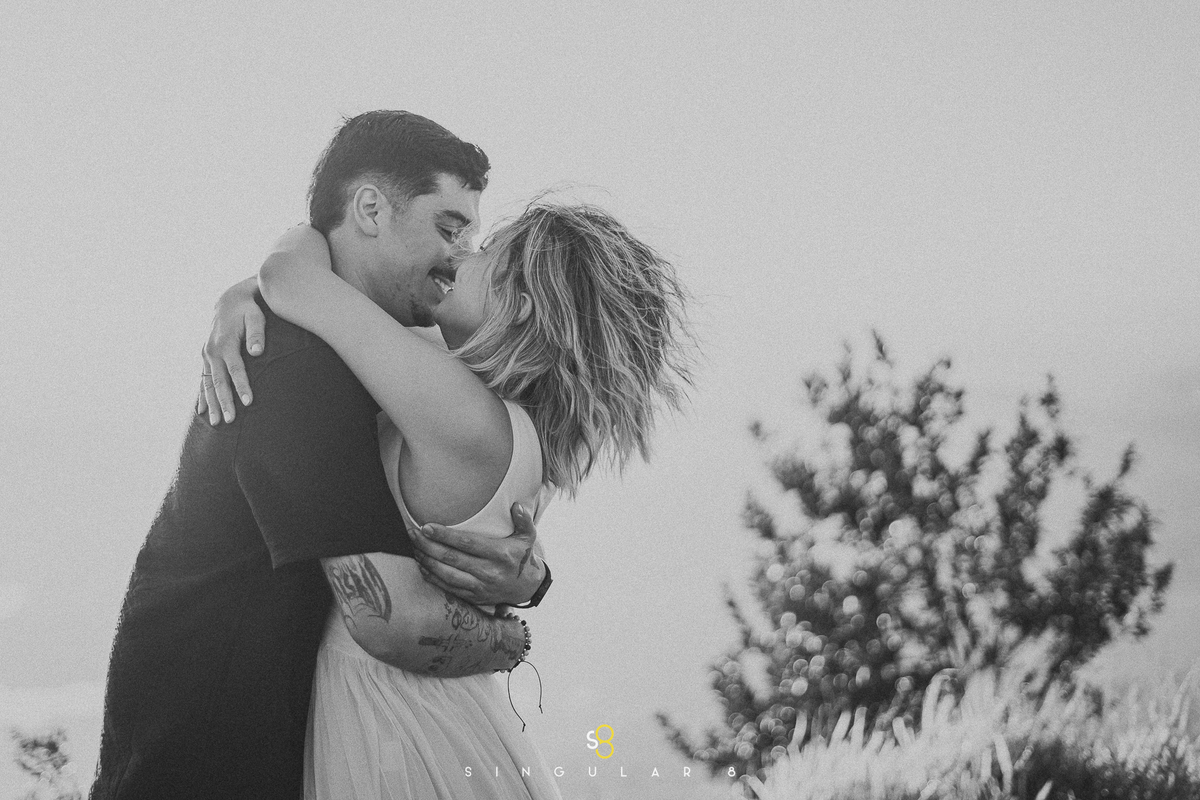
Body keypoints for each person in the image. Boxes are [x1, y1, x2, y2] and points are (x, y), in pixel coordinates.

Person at [91, 111, 552, 800]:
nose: (458, 256)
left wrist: (531, 577)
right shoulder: (298, 362)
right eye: (448, 227)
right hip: (203, 758)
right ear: (370, 209)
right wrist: (515, 638)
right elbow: (390, 619)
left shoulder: (363, 350)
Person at [202, 196, 694, 798]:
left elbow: (293, 279)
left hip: (393, 723)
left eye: (486, 252)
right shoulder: (504, 415)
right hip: (436, 710)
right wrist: (242, 296)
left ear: (520, 302)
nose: (460, 255)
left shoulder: (462, 412)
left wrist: (306, 235)